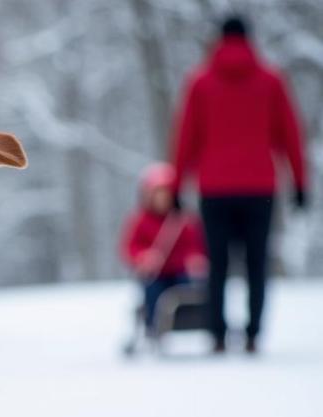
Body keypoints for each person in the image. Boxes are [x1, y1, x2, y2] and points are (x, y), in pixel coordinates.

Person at [171, 15, 308, 354]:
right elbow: (291, 135)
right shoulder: (271, 80)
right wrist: (301, 182)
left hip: (214, 187)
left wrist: (175, 184)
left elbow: (186, 137)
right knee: (256, 262)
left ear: (219, 39)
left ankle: (217, 334)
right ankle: (253, 333)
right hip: (260, 187)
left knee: (217, 263)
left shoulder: (200, 82)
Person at [120, 162, 207, 333]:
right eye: (157, 194)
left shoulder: (185, 221)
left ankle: (188, 322)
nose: (162, 198)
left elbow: (195, 245)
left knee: (189, 291)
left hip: (180, 271)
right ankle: (154, 326)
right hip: (156, 274)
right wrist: (143, 257)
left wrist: (194, 258)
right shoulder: (140, 222)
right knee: (153, 291)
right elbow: (130, 247)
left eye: (166, 193)